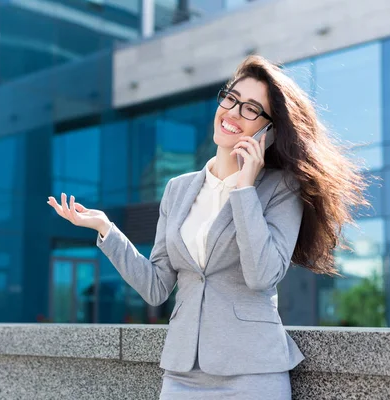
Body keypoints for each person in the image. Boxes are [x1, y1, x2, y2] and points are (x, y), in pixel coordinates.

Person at [47, 55, 369, 399]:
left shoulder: (281, 188)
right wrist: (107, 230)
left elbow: (262, 275)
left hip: (252, 371)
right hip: (182, 373)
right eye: (231, 98)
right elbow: (156, 287)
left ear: (269, 131)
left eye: (250, 109)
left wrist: (245, 188)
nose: (232, 112)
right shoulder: (178, 189)